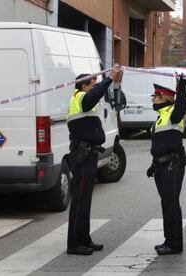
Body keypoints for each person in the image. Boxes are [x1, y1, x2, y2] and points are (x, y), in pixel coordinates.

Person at [66, 64, 122, 255]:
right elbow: (92, 97)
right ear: (83, 87)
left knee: (86, 201)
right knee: (80, 200)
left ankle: (84, 238)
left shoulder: (83, 99)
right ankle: (75, 244)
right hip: (82, 154)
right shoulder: (80, 97)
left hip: (88, 153)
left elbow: (95, 97)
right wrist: (108, 80)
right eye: (92, 84)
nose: (94, 87)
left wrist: (113, 82)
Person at [146, 75, 186, 255]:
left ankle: (175, 244)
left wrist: (181, 89)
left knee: (171, 203)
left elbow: (181, 107)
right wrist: (154, 164)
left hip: (173, 164)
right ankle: (169, 239)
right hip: (162, 166)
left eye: (155, 96)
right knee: (167, 203)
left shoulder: (173, 112)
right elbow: (160, 145)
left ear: (165, 98)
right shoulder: (161, 116)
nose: (153, 99)